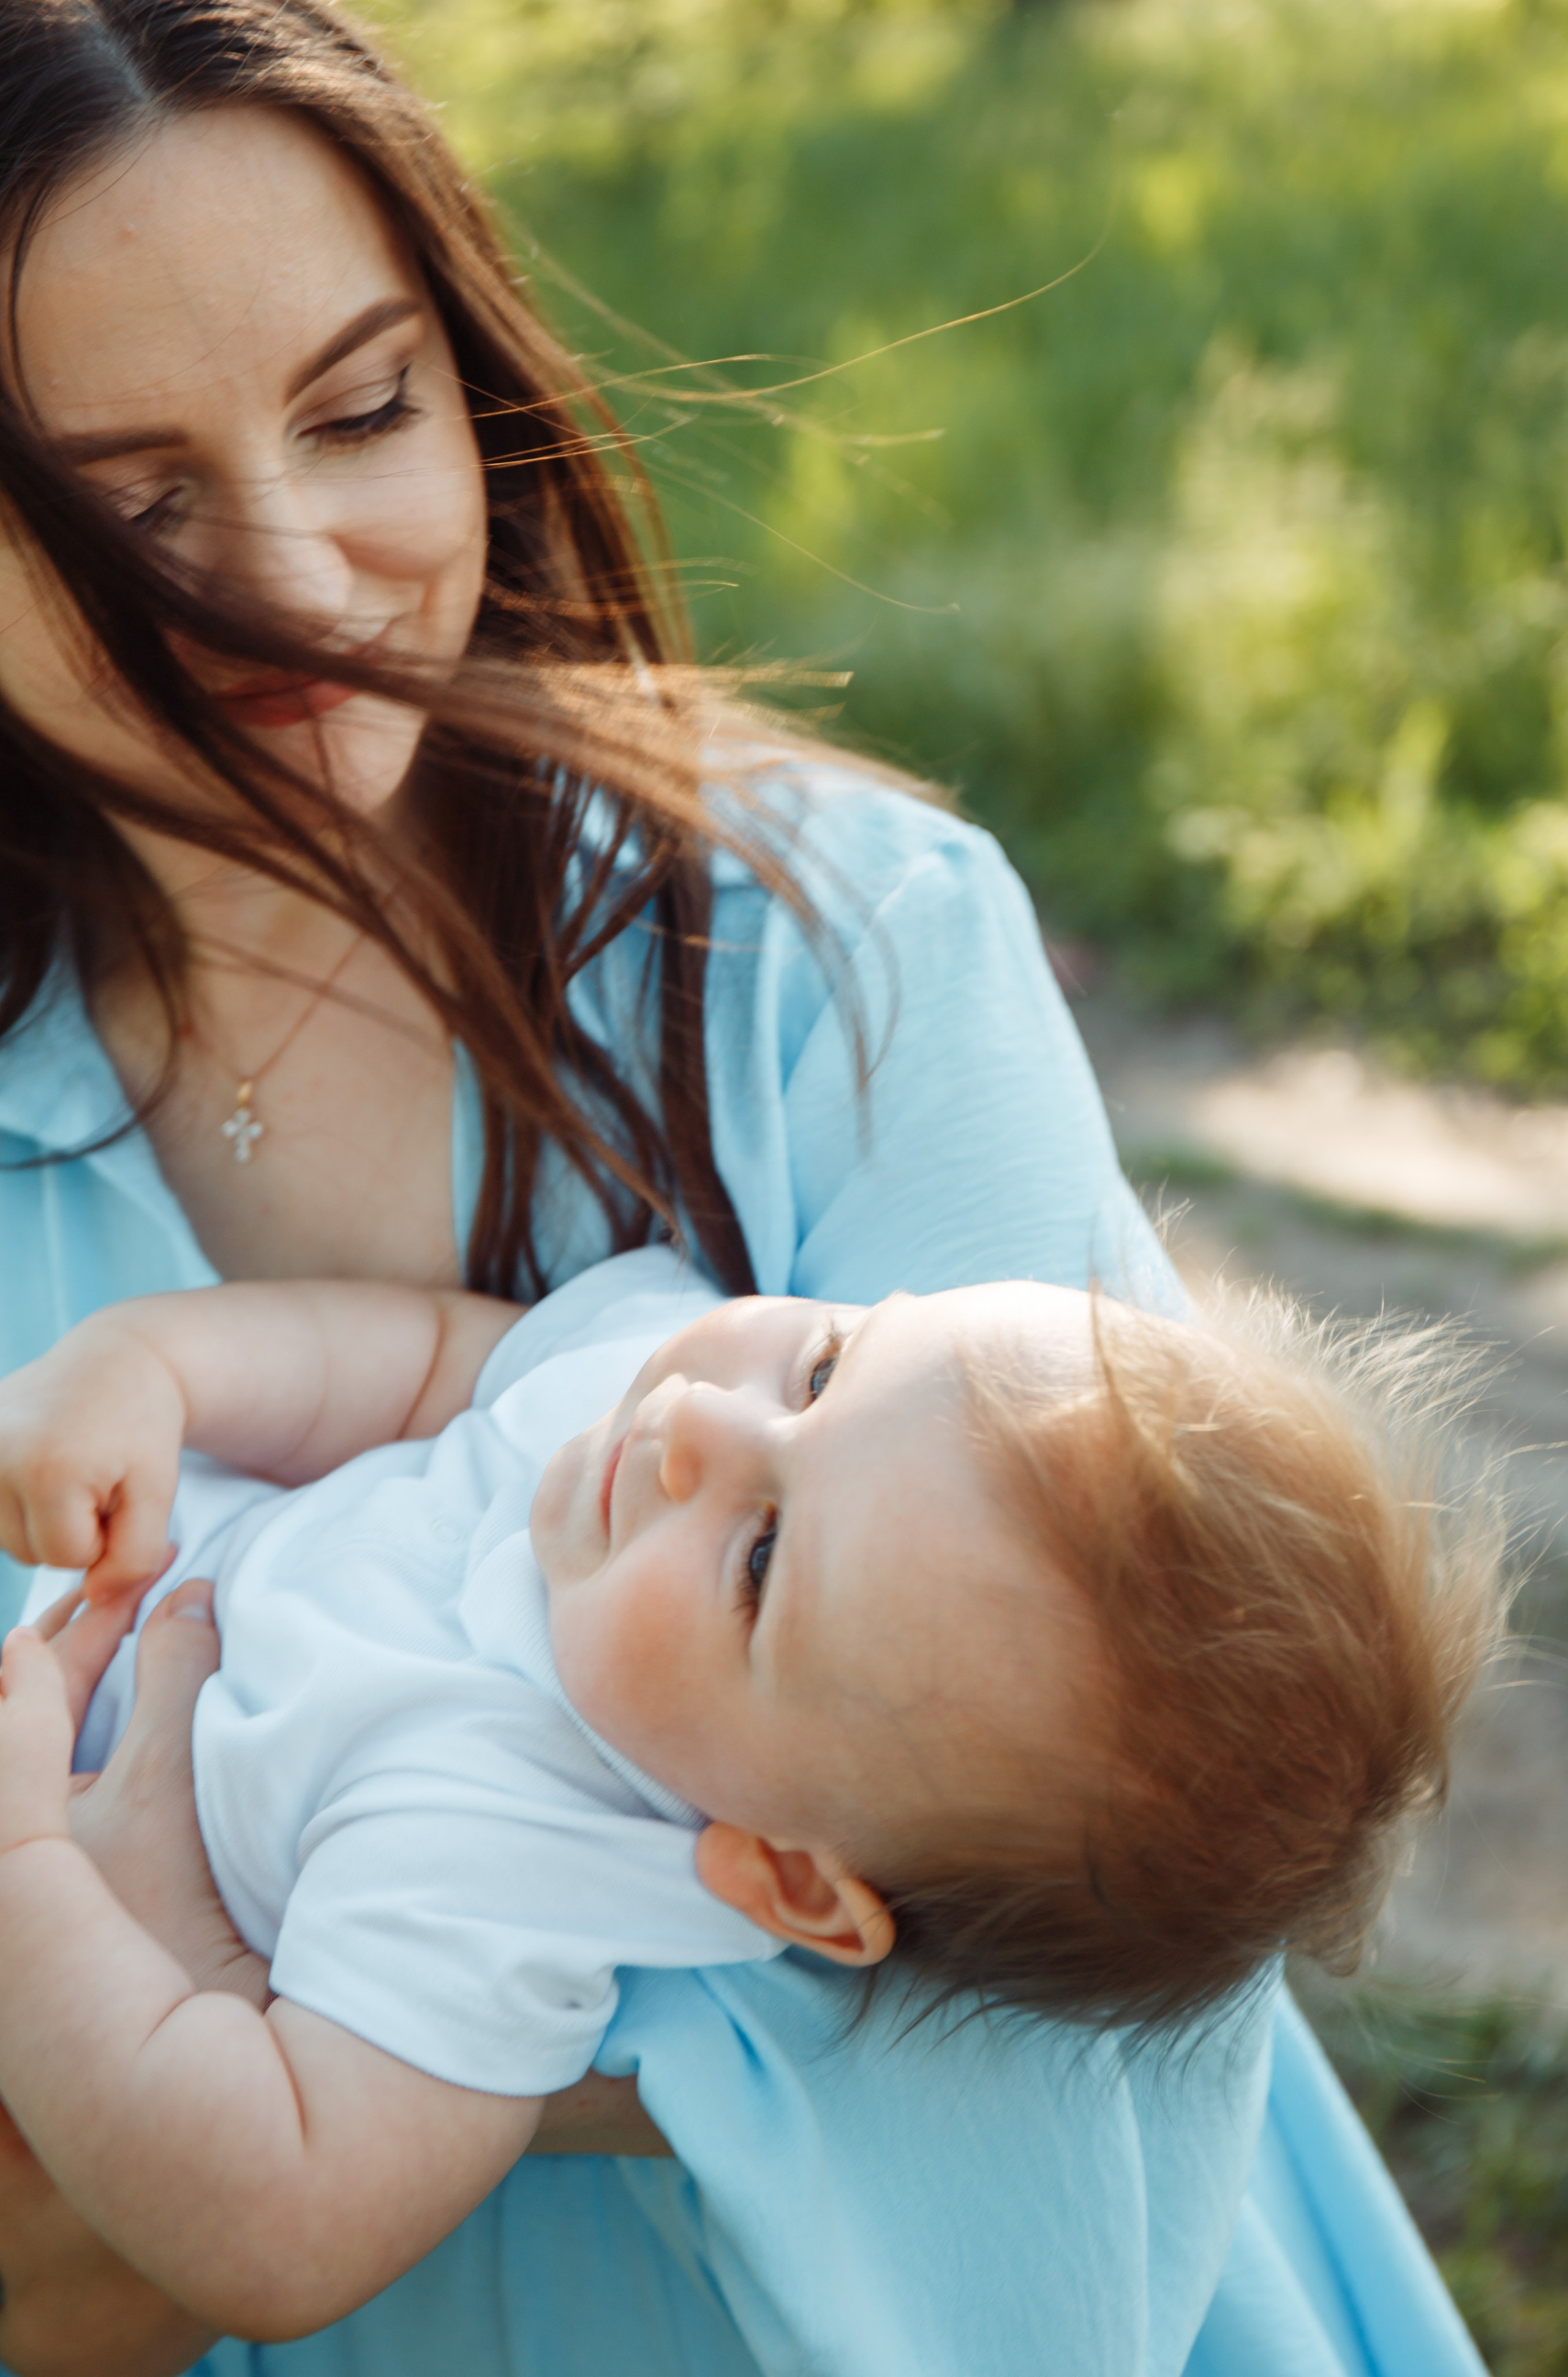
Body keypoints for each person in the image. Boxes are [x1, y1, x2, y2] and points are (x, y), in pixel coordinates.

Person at [0, 2, 1488, 2373]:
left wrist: (251, 1996)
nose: (295, 569)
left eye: (364, 409)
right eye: (135, 505)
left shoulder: (845, 955)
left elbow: (1101, 1930)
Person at [0, 1246, 1501, 2347]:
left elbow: (276, 2219)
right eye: (829, 1366)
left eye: (763, 1557)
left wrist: (28, 1866)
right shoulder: (637, 1399)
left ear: (787, 1877)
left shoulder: (513, 1864)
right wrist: (156, 1366)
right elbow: (416, 1362)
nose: (700, 1429)